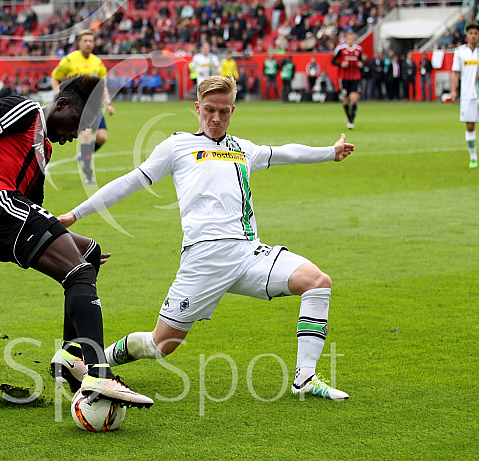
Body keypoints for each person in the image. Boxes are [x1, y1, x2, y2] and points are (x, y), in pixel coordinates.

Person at [56, 76, 353, 401]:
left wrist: (331, 151)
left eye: (223, 112)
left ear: (232, 110)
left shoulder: (243, 148)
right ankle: (90, 365)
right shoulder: (177, 146)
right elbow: (130, 182)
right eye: (209, 110)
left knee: (317, 281)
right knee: (161, 344)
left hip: (248, 255)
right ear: (197, 108)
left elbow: (287, 153)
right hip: (203, 261)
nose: (215, 118)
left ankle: (305, 378)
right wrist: (75, 214)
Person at [0, 74, 154, 408]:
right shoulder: (24, 111)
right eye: (78, 123)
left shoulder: (44, 148)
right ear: (62, 104)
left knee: (88, 255)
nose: (76, 134)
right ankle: (99, 373)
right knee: (78, 271)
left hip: (1, 215)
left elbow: (35, 209)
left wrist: (64, 236)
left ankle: (70, 356)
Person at [51, 30, 114, 184]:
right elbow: (55, 78)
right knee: (85, 135)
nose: (88, 44)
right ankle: (88, 174)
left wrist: (109, 103)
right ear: (79, 43)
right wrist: (59, 95)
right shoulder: (69, 60)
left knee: (102, 137)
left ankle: (83, 155)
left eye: (91, 41)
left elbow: (102, 86)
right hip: (75, 108)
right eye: (85, 41)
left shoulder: (97, 63)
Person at [451, 22, 479, 169]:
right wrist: (454, 91)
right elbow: (455, 72)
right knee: (470, 125)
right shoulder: (460, 52)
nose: (474, 35)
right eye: (471, 33)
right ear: (467, 35)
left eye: (476, 33)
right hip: (468, 94)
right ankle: (473, 157)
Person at [332, 30, 363, 129]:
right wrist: (341, 64)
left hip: (355, 77)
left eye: (352, 38)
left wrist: (360, 64)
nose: (351, 40)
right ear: (346, 39)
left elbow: (361, 61)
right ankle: (348, 116)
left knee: (354, 98)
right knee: (346, 100)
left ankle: (351, 120)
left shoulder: (358, 50)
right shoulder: (340, 49)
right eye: (349, 38)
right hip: (344, 77)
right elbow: (333, 61)